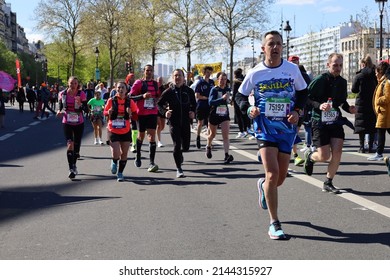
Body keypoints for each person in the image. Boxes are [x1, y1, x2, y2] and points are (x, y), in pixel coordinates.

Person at [235, 30, 308, 240]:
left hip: (286, 130)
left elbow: (303, 93)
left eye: (278, 44)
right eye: (271, 44)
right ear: (263, 48)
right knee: (272, 173)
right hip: (264, 129)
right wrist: (249, 110)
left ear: (282, 47)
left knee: (280, 178)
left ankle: (263, 186)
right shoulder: (255, 73)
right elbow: (239, 96)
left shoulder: (292, 70)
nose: (275, 47)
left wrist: (297, 112)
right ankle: (274, 223)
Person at [303, 53, 357, 194]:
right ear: (328, 65)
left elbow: (342, 102)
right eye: (335, 65)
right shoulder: (319, 80)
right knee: (324, 156)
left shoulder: (343, 82)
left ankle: (328, 182)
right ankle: (310, 156)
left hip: (334, 120)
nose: (338, 68)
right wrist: (319, 105)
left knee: (337, 151)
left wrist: (349, 109)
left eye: (340, 65)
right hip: (319, 121)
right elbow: (306, 99)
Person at [157, 69, 197, 178]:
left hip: (185, 121)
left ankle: (180, 154)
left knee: (186, 146)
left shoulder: (189, 91)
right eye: (175, 76)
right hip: (174, 122)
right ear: (173, 78)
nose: (177, 78)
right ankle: (179, 168)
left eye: (179, 76)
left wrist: (193, 112)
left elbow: (194, 104)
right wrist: (165, 112)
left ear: (184, 78)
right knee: (176, 145)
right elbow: (159, 104)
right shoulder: (169, 91)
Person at [129, 64, 161, 172]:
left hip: (152, 113)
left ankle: (152, 162)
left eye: (151, 71)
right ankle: (138, 155)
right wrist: (142, 96)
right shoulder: (139, 83)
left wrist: (157, 100)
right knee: (141, 136)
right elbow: (131, 97)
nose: (149, 72)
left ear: (153, 72)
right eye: (147, 70)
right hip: (141, 114)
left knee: (152, 137)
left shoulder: (156, 84)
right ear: (144, 71)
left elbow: (158, 96)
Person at [104, 81, 137, 181]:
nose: (120, 89)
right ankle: (114, 161)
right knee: (116, 153)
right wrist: (108, 112)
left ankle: (120, 173)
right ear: (115, 89)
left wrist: (131, 113)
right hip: (113, 129)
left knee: (124, 153)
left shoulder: (130, 102)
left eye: (123, 87)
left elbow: (135, 115)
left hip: (125, 130)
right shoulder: (111, 100)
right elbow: (105, 112)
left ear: (126, 90)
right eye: (118, 88)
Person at [57, 76, 88, 179]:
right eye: (71, 83)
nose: (73, 85)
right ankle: (71, 168)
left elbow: (86, 110)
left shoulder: (81, 94)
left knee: (77, 147)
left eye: (75, 83)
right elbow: (60, 106)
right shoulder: (63, 94)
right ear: (68, 83)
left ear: (77, 84)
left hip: (79, 123)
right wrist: (59, 111)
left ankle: (74, 164)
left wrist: (81, 105)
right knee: (70, 144)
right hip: (67, 122)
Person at [206, 72, 234, 164]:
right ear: (217, 80)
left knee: (225, 136)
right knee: (212, 135)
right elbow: (210, 102)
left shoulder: (228, 89)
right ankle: (208, 146)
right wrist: (221, 99)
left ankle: (226, 155)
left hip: (224, 115)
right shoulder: (214, 90)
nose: (223, 81)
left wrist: (231, 101)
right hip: (214, 114)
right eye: (221, 79)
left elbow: (230, 100)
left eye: (225, 79)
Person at [352, 55, 377, 153]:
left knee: (361, 125)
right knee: (371, 125)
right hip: (372, 102)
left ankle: (362, 147)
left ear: (363, 64)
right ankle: (371, 146)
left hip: (361, 102)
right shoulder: (374, 75)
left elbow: (354, 90)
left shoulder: (359, 75)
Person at [368, 62, 390, 163]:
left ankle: (379, 153)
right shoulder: (382, 81)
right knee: (383, 132)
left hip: (384, 113)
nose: (376, 74)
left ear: (381, 72)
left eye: (377, 72)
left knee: (381, 133)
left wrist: (378, 100)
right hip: (383, 112)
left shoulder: (386, 83)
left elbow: (387, 97)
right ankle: (379, 153)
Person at [195, 66, 214, 149]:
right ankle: (198, 137)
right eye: (207, 72)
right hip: (201, 105)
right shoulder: (200, 82)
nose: (209, 74)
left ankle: (209, 142)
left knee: (209, 123)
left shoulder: (212, 82)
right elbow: (197, 95)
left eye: (210, 72)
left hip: (210, 105)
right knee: (200, 123)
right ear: (204, 72)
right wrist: (205, 98)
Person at [232, 68, 250, 138]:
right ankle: (246, 129)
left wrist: (232, 100)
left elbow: (234, 92)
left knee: (238, 115)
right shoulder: (244, 80)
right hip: (245, 99)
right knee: (245, 115)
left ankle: (241, 131)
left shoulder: (236, 82)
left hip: (237, 100)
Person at [156, 76, 167, 148]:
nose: (160, 82)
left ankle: (158, 132)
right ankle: (159, 141)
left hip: (163, 108)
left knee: (162, 126)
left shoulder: (164, 89)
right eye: (158, 80)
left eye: (161, 81)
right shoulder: (155, 88)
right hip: (156, 108)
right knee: (159, 124)